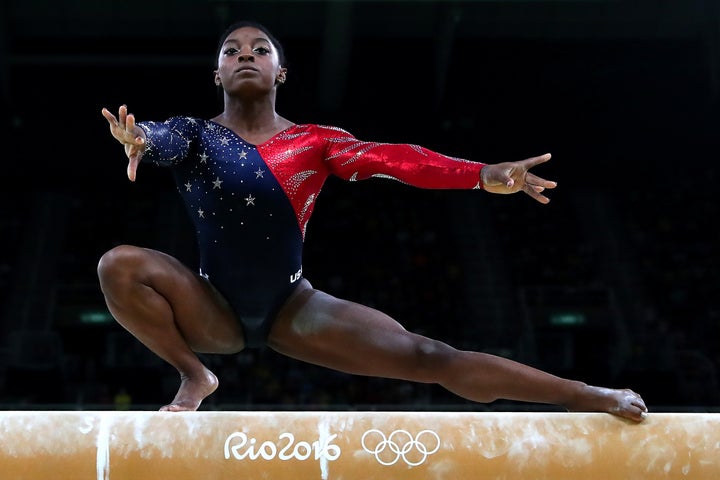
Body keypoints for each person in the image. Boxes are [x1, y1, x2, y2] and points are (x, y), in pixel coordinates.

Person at [98, 20, 648, 422]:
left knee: (432, 356)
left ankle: (585, 394)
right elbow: (160, 137)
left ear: (279, 71)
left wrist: (480, 173)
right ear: (215, 71)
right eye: (232, 50)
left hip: (293, 308)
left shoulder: (314, 141)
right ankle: (194, 373)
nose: (246, 55)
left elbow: (396, 160)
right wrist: (140, 138)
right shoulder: (194, 134)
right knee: (119, 265)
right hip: (209, 307)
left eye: (260, 49)